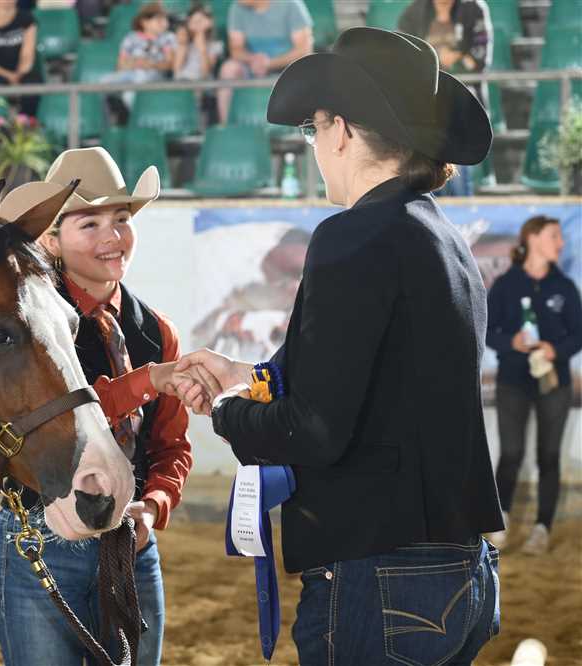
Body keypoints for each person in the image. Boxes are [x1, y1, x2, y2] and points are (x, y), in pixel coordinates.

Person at [172, 28, 504, 664]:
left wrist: (223, 410)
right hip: (456, 568)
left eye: (314, 128)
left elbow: (315, 430)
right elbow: (366, 383)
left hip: (379, 570)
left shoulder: (352, 236)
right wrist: (240, 374)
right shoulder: (443, 238)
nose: (316, 145)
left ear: (343, 132)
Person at [0, 147, 194, 666]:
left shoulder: (156, 332)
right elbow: (51, 417)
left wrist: (155, 504)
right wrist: (148, 379)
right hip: (41, 538)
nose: (113, 236)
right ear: (51, 240)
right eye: (90, 223)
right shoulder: (26, 326)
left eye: (122, 219)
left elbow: (171, 445)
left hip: (128, 545)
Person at [485, 215, 582, 554]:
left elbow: (579, 334)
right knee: (511, 453)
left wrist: (557, 349)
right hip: (513, 380)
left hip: (554, 382)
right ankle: (500, 520)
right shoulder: (505, 285)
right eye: (555, 236)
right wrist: (511, 342)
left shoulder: (564, 287)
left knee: (549, 456)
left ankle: (542, 527)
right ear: (533, 238)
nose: (561, 242)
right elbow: (487, 330)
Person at [399, 0, 493, 195]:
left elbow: (480, 60)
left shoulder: (474, 9)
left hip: (463, 104)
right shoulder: (413, 11)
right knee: (426, 178)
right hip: (424, 108)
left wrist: (454, 57)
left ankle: (462, 209)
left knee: (460, 179)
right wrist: (443, 58)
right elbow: (401, 59)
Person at [216, 0, 313, 124]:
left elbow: (303, 50)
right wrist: (253, 59)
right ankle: (225, 125)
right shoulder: (237, 7)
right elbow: (236, 49)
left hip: (287, 68)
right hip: (253, 66)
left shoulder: (291, 4)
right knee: (228, 69)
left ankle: (304, 125)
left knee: (304, 71)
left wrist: (269, 63)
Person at [102, 2, 177, 110]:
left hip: (155, 76)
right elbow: (120, 65)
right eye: (159, 19)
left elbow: (169, 64)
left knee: (130, 94)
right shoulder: (130, 38)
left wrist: (151, 64)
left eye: (165, 19)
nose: (164, 23)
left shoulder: (168, 38)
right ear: (144, 22)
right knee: (102, 83)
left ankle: (139, 118)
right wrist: (136, 63)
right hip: (131, 74)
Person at [173, 4, 223, 82]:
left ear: (209, 22)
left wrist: (202, 50)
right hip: (182, 81)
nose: (197, 25)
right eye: (193, 22)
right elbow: (176, 71)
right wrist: (183, 46)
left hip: (202, 84)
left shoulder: (215, 45)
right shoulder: (183, 41)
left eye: (200, 21)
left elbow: (205, 73)